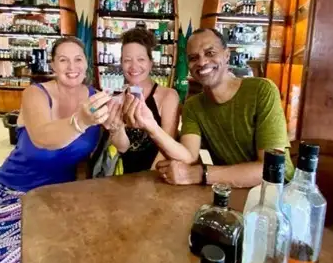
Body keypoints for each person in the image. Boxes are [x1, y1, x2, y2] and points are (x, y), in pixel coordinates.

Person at [0, 37, 112, 263]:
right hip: (14, 188)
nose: (72, 67)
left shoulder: (95, 98)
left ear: (87, 64)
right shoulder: (35, 94)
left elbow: (85, 159)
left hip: (56, 196)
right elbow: (43, 138)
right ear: (52, 65)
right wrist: (80, 121)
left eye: (78, 59)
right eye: (63, 60)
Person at [122, 28, 294, 189]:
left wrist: (201, 173)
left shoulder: (261, 90)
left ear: (227, 55)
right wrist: (150, 125)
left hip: (278, 193)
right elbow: (189, 156)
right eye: (193, 57)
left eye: (210, 53)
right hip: (229, 191)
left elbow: (273, 169)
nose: (202, 62)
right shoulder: (193, 106)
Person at [103, 27, 180, 173]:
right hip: (125, 177)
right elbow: (123, 148)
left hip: (157, 176)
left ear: (151, 63)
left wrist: (148, 181)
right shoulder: (117, 99)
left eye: (141, 59)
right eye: (127, 60)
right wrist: (115, 129)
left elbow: (167, 147)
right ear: (121, 63)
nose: (134, 66)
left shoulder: (167, 96)